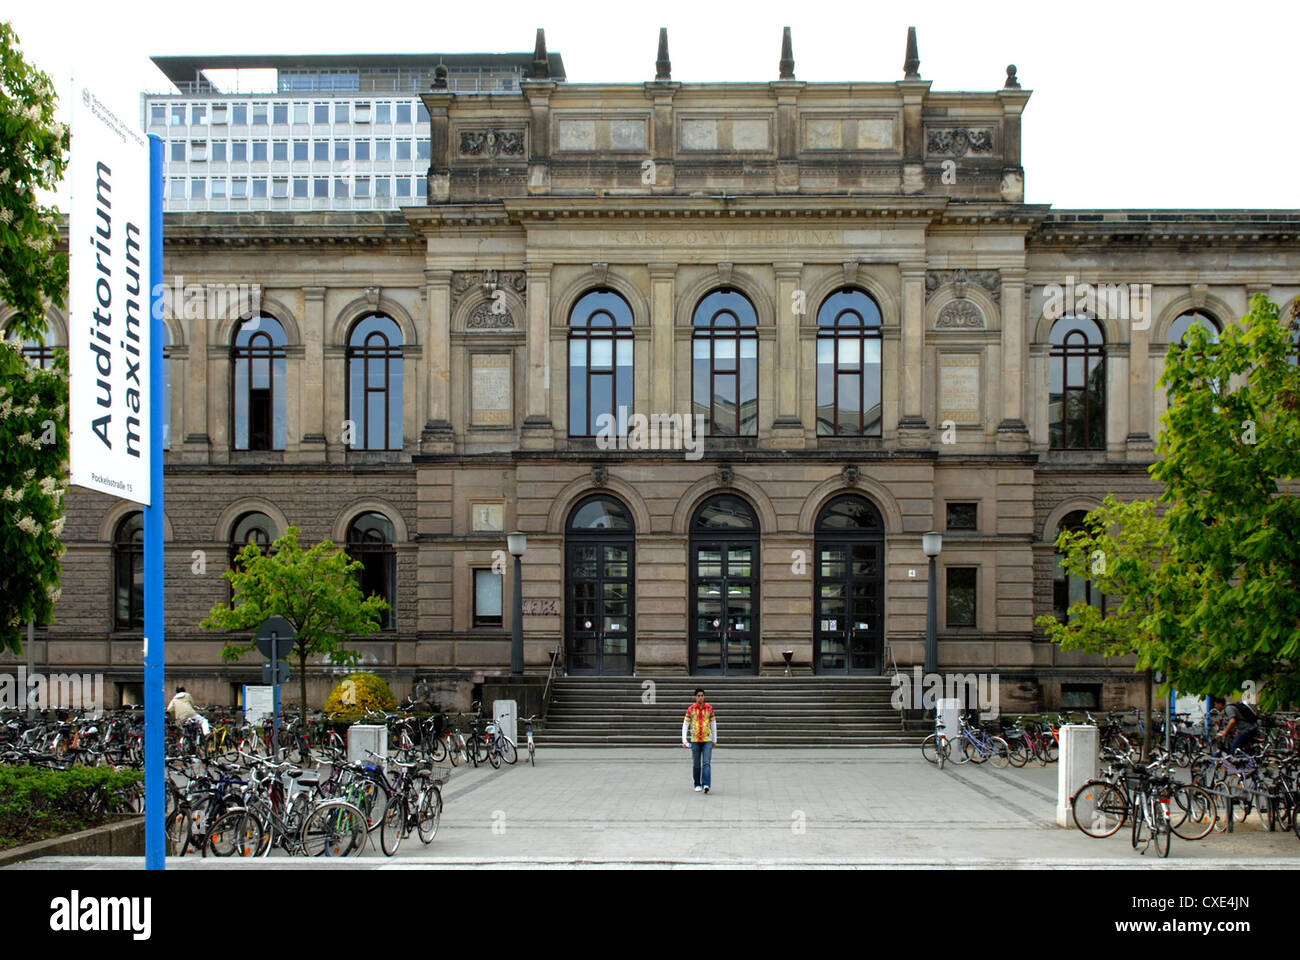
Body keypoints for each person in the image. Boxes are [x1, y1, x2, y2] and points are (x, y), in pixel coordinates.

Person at [681, 688, 717, 793]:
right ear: (695, 697)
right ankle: (697, 783)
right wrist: (684, 739)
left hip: (707, 739)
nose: (700, 697)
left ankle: (706, 784)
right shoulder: (691, 709)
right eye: (698, 695)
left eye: (702, 695)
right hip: (695, 739)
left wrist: (714, 739)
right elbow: (686, 724)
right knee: (696, 763)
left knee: (706, 762)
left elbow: (713, 724)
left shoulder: (709, 708)